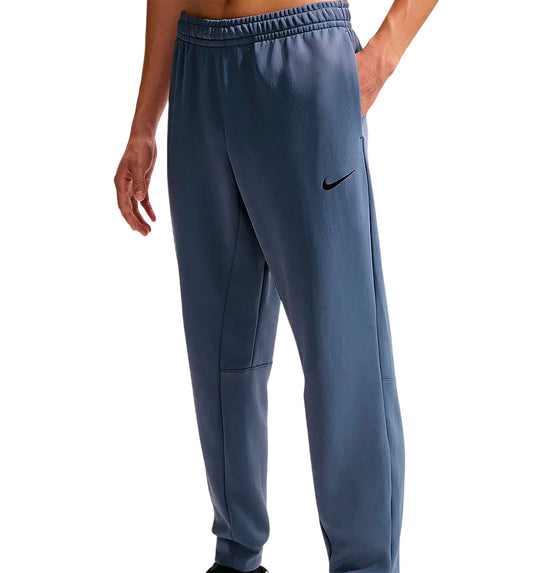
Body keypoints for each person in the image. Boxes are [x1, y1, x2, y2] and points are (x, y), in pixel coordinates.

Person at [114, 1, 438, 572]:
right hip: (197, 66)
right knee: (219, 353)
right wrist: (143, 125)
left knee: (343, 352)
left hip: (301, 58)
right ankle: (237, 557)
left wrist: (381, 58)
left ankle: (365, 565)